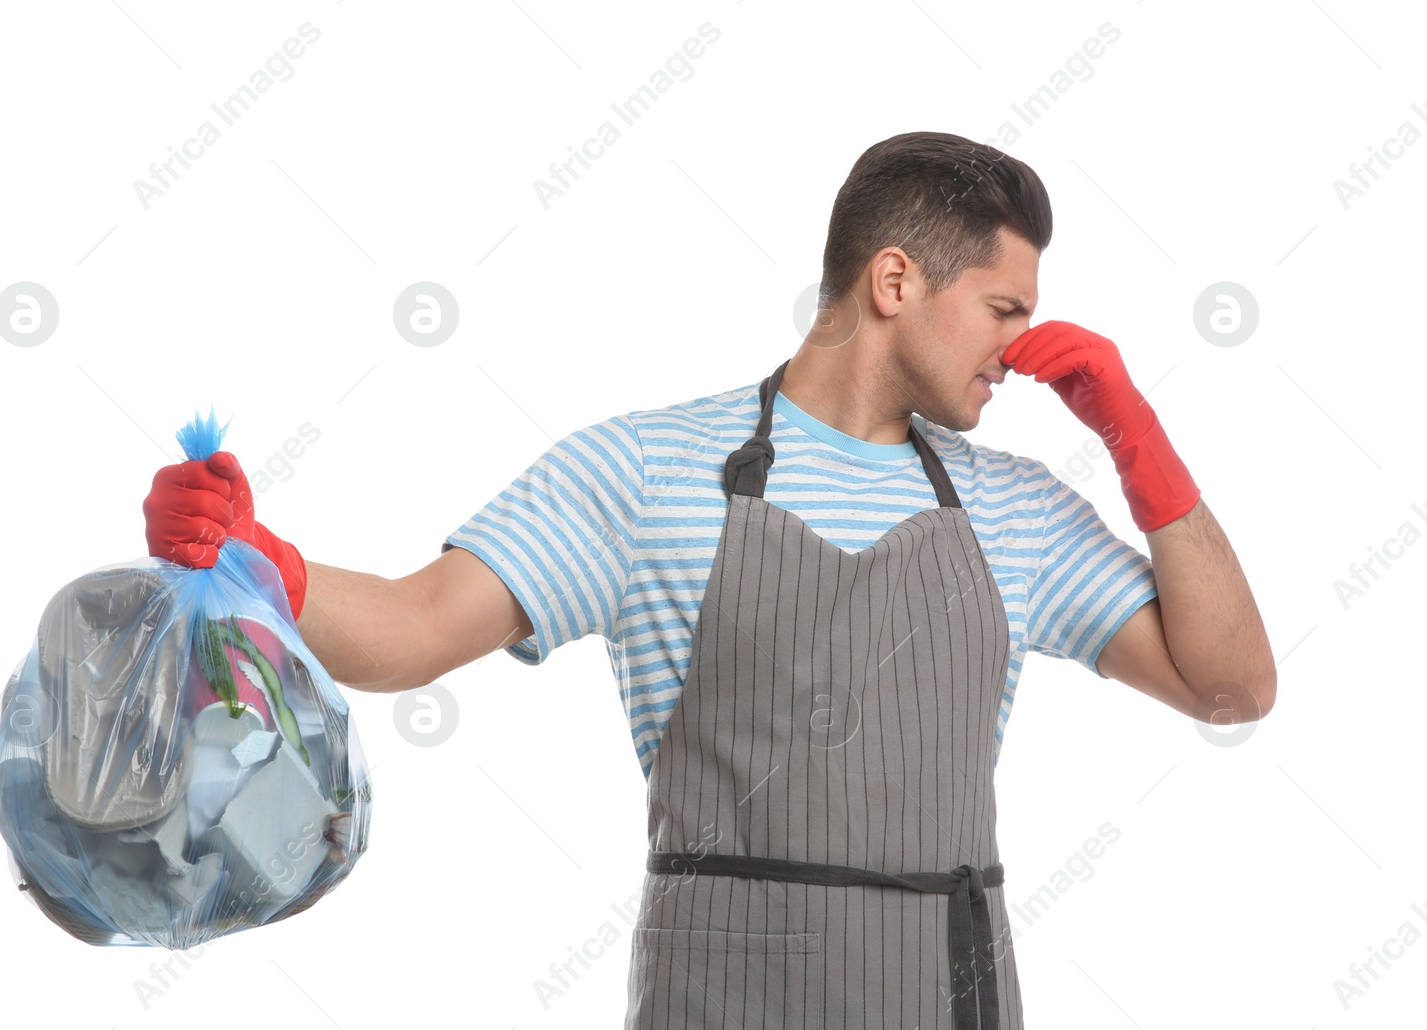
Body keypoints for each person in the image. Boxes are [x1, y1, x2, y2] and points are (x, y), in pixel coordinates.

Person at [143, 130, 1276, 1030]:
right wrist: (259, 560)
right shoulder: (644, 472)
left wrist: (1143, 452)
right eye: (1002, 308)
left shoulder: (1017, 508)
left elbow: (1231, 686)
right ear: (894, 280)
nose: (1022, 348)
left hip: (950, 999)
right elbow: (413, 625)